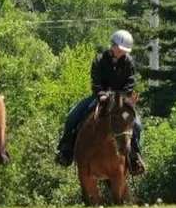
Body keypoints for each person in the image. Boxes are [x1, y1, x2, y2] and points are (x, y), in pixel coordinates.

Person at [55, 29, 145, 176]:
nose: (123, 52)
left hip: (121, 99)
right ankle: (66, 151)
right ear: (113, 45)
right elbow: (96, 81)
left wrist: (120, 95)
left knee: (138, 125)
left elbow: (130, 82)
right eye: (121, 49)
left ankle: (134, 157)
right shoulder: (99, 60)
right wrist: (102, 93)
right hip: (99, 97)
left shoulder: (129, 62)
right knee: (72, 115)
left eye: (125, 50)